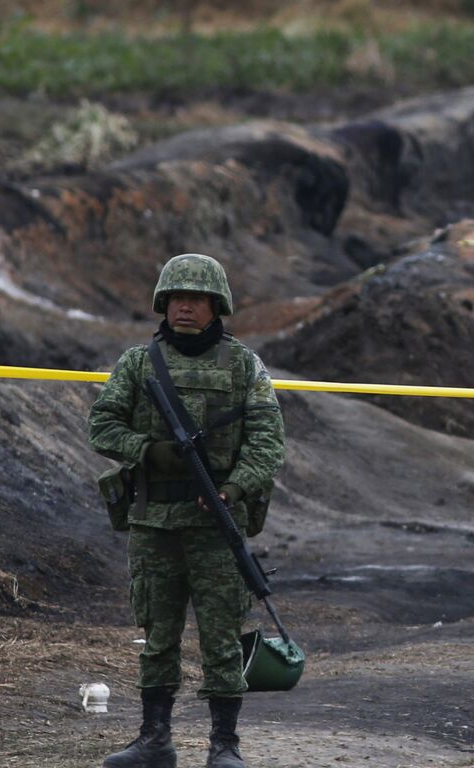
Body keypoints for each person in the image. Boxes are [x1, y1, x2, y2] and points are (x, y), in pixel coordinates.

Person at [89, 253, 285, 768]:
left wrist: (234, 490)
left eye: (196, 299)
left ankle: (225, 746)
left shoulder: (243, 365)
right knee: (157, 636)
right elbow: (102, 426)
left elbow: (267, 441)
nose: (185, 308)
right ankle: (155, 740)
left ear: (215, 305)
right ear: (163, 303)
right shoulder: (137, 363)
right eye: (177, 298)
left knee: (221, 639)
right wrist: (150, 452)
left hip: (217, 525)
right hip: (154, 523)